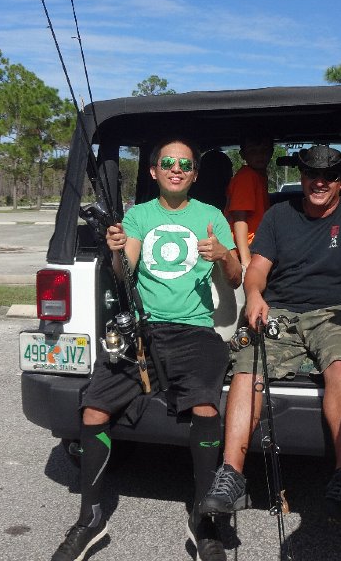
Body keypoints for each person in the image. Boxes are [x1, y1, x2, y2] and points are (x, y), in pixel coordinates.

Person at [52, 138, 243, 561]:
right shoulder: (138, 216)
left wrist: (223, 254)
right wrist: (116, 252)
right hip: (143, 331)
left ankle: (204, 522)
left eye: (185, 164)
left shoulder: (211, 216)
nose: (176, 169)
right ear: (154, 171)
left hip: (195, 332)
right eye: (168, 162)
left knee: (205, 407)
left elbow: (235, 278)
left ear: (194, 174)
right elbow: (126, 272)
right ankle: (90, 520)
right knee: (93, 408)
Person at [198, 144, 341, 523]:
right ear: (302, 177)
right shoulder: (279, 215)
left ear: (340, 182)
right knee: (247, 366)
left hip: (336, 315)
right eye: (311, 174)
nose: (319, 182)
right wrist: (254, 295)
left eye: (329, 176)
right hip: (280, 313)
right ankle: (231, 476)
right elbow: (257, 268)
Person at [225, 133, 273, 268]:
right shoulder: (246, 177)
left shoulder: (258, 176)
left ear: (271, 152)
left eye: (264, 150)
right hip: (246, 249)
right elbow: (239, 218)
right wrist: (246, 261)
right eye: (253, 151)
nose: (259, 155)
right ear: (243, 154)